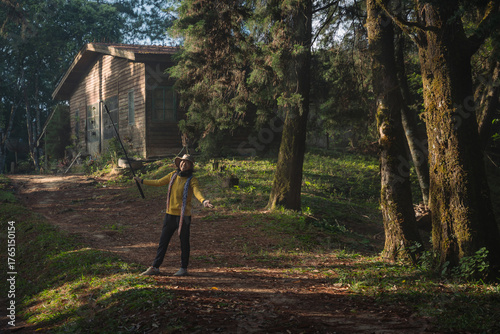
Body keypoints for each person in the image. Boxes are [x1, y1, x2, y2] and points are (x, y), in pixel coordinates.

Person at [134, 154, 213, 276]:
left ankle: (183, 268)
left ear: (191, 166)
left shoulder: (192, 179)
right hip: (170, 214)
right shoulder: (173, 175)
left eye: (186, 163)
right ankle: (155, 267)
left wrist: (204, 201)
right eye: (182, 162)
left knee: (184, 242)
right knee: (163, 241)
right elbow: (158, 182)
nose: (183, 164)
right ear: (179, 164)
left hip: (184, 216)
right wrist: (142, 181)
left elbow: (197, 192)